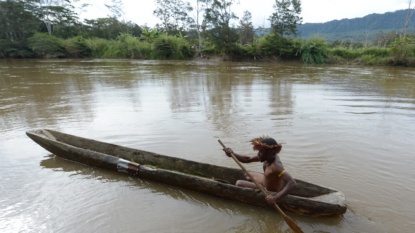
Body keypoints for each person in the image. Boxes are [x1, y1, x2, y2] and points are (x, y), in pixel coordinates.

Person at [223, 136, 297, 205]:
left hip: (268, 190)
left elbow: (292, 183)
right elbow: (247, 159)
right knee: (247, 174)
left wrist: (275, 198)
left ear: (270, 152)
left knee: (238, 183)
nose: (258, 154)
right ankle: (257, 185)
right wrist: (232, 154)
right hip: (263, 181)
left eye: (261, 152)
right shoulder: (267, 156)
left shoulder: (276, 166)